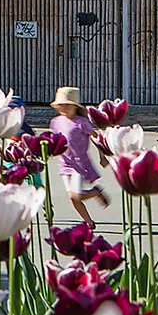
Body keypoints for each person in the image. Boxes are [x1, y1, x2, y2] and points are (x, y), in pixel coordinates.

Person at [49, 86, 109, 224]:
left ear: (75, 106)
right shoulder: (55, 122)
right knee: (73, 197)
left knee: (75, 195)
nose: (64, 108)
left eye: (67, 105)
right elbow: (53, 141)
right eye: (61, 105)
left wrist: (102, 156)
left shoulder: (82, 122)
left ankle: (95, 192)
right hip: (64, 163)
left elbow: (96, 138)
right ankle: (89, 222)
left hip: (79, 164)